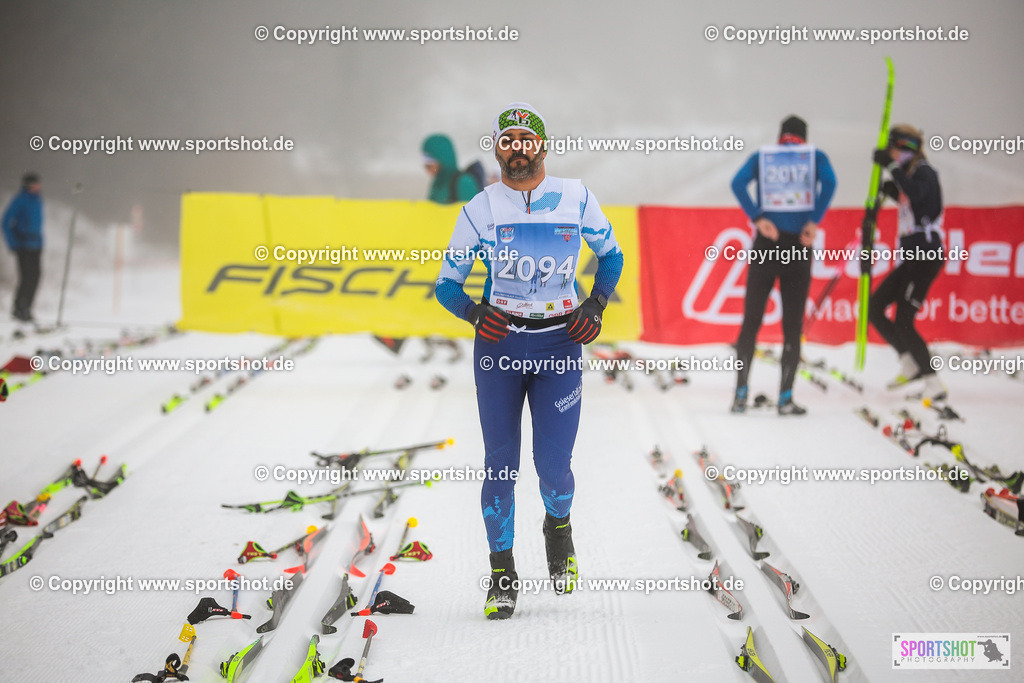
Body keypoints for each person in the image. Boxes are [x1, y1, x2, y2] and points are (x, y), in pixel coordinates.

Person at [435, 102, 623, 619]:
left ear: (542, 146)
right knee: (500, 464)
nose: (516, 148)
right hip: (498, 348)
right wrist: (475, 312)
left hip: (559, 346)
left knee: (554, 468)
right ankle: (501, 573)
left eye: (526, 139)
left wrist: (595, 303)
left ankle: (558, 528)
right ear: (496, 149)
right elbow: (446, 286)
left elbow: (611, 256)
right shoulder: (479, 207)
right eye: (507, 140)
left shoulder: (576, 197)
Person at [730, 116, 837, 415]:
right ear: (804, 137)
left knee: (751, 322)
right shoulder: (814, 156)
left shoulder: (763, 157)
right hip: (798, 245)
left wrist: (757, 217)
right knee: (792, 327)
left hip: (767, 242)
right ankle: (785, 398)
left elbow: (737, 183)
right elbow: (830, 183)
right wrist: (813, 220)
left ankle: (740, 395)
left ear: (781, 136)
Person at [868, 124, 946, 400]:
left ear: (905, 149)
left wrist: (891, 168)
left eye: (894, 150)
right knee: (875, 307)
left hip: (926, 256)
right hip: (912, 258)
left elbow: (916, 193)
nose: (891, 154)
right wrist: (886, 190)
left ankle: (933, 381)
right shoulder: (910, 174)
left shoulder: (924, 172)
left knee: (903, 320)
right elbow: (909, 200)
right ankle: (909, 361)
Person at [2, 173, 44, 323]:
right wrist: (13, 243)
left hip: (36, 246)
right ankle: (19, 308)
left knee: (36, 277)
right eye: (35, 184)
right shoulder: (20, 200)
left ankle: (27, 308)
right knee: (26, 277)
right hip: (24, 246)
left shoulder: (38, 200)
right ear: (28, 185)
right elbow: (6, 221)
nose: (38, 186)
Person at [422, 134, 483, 204]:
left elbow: (473, 212)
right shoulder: (438, 183)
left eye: (429, 166)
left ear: (442, 161)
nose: (427, 170)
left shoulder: (464, 182)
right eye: (425, 166)